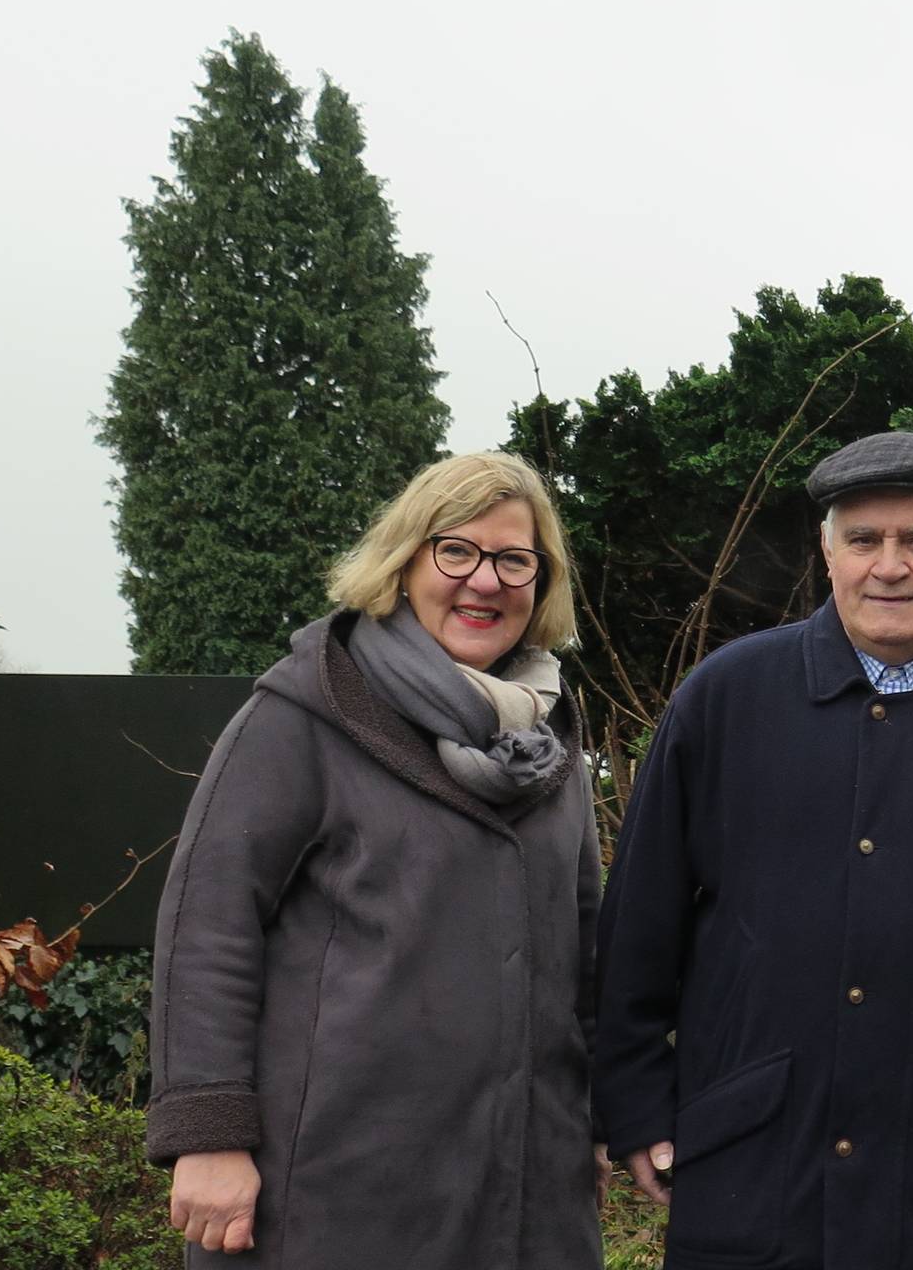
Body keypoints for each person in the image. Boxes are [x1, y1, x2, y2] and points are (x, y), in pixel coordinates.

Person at [594, 430, 913, 1267]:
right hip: (752, 1162)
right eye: (865, 539)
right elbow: (638, 929)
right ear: (827, 552)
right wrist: (632, 1102)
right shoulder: (724, 700)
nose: (890, 566)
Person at [146, 452, 600, 1267]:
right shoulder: (302, 714)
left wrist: (600, 1117)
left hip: (528, 1189)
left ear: (542, 582)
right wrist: (208, 1135)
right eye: (455, 551)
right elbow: (208, 927)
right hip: (333, 1188)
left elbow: (586, 947)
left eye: (514, 560)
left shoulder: (550, 738)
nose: (485, 581)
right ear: (403, 562)